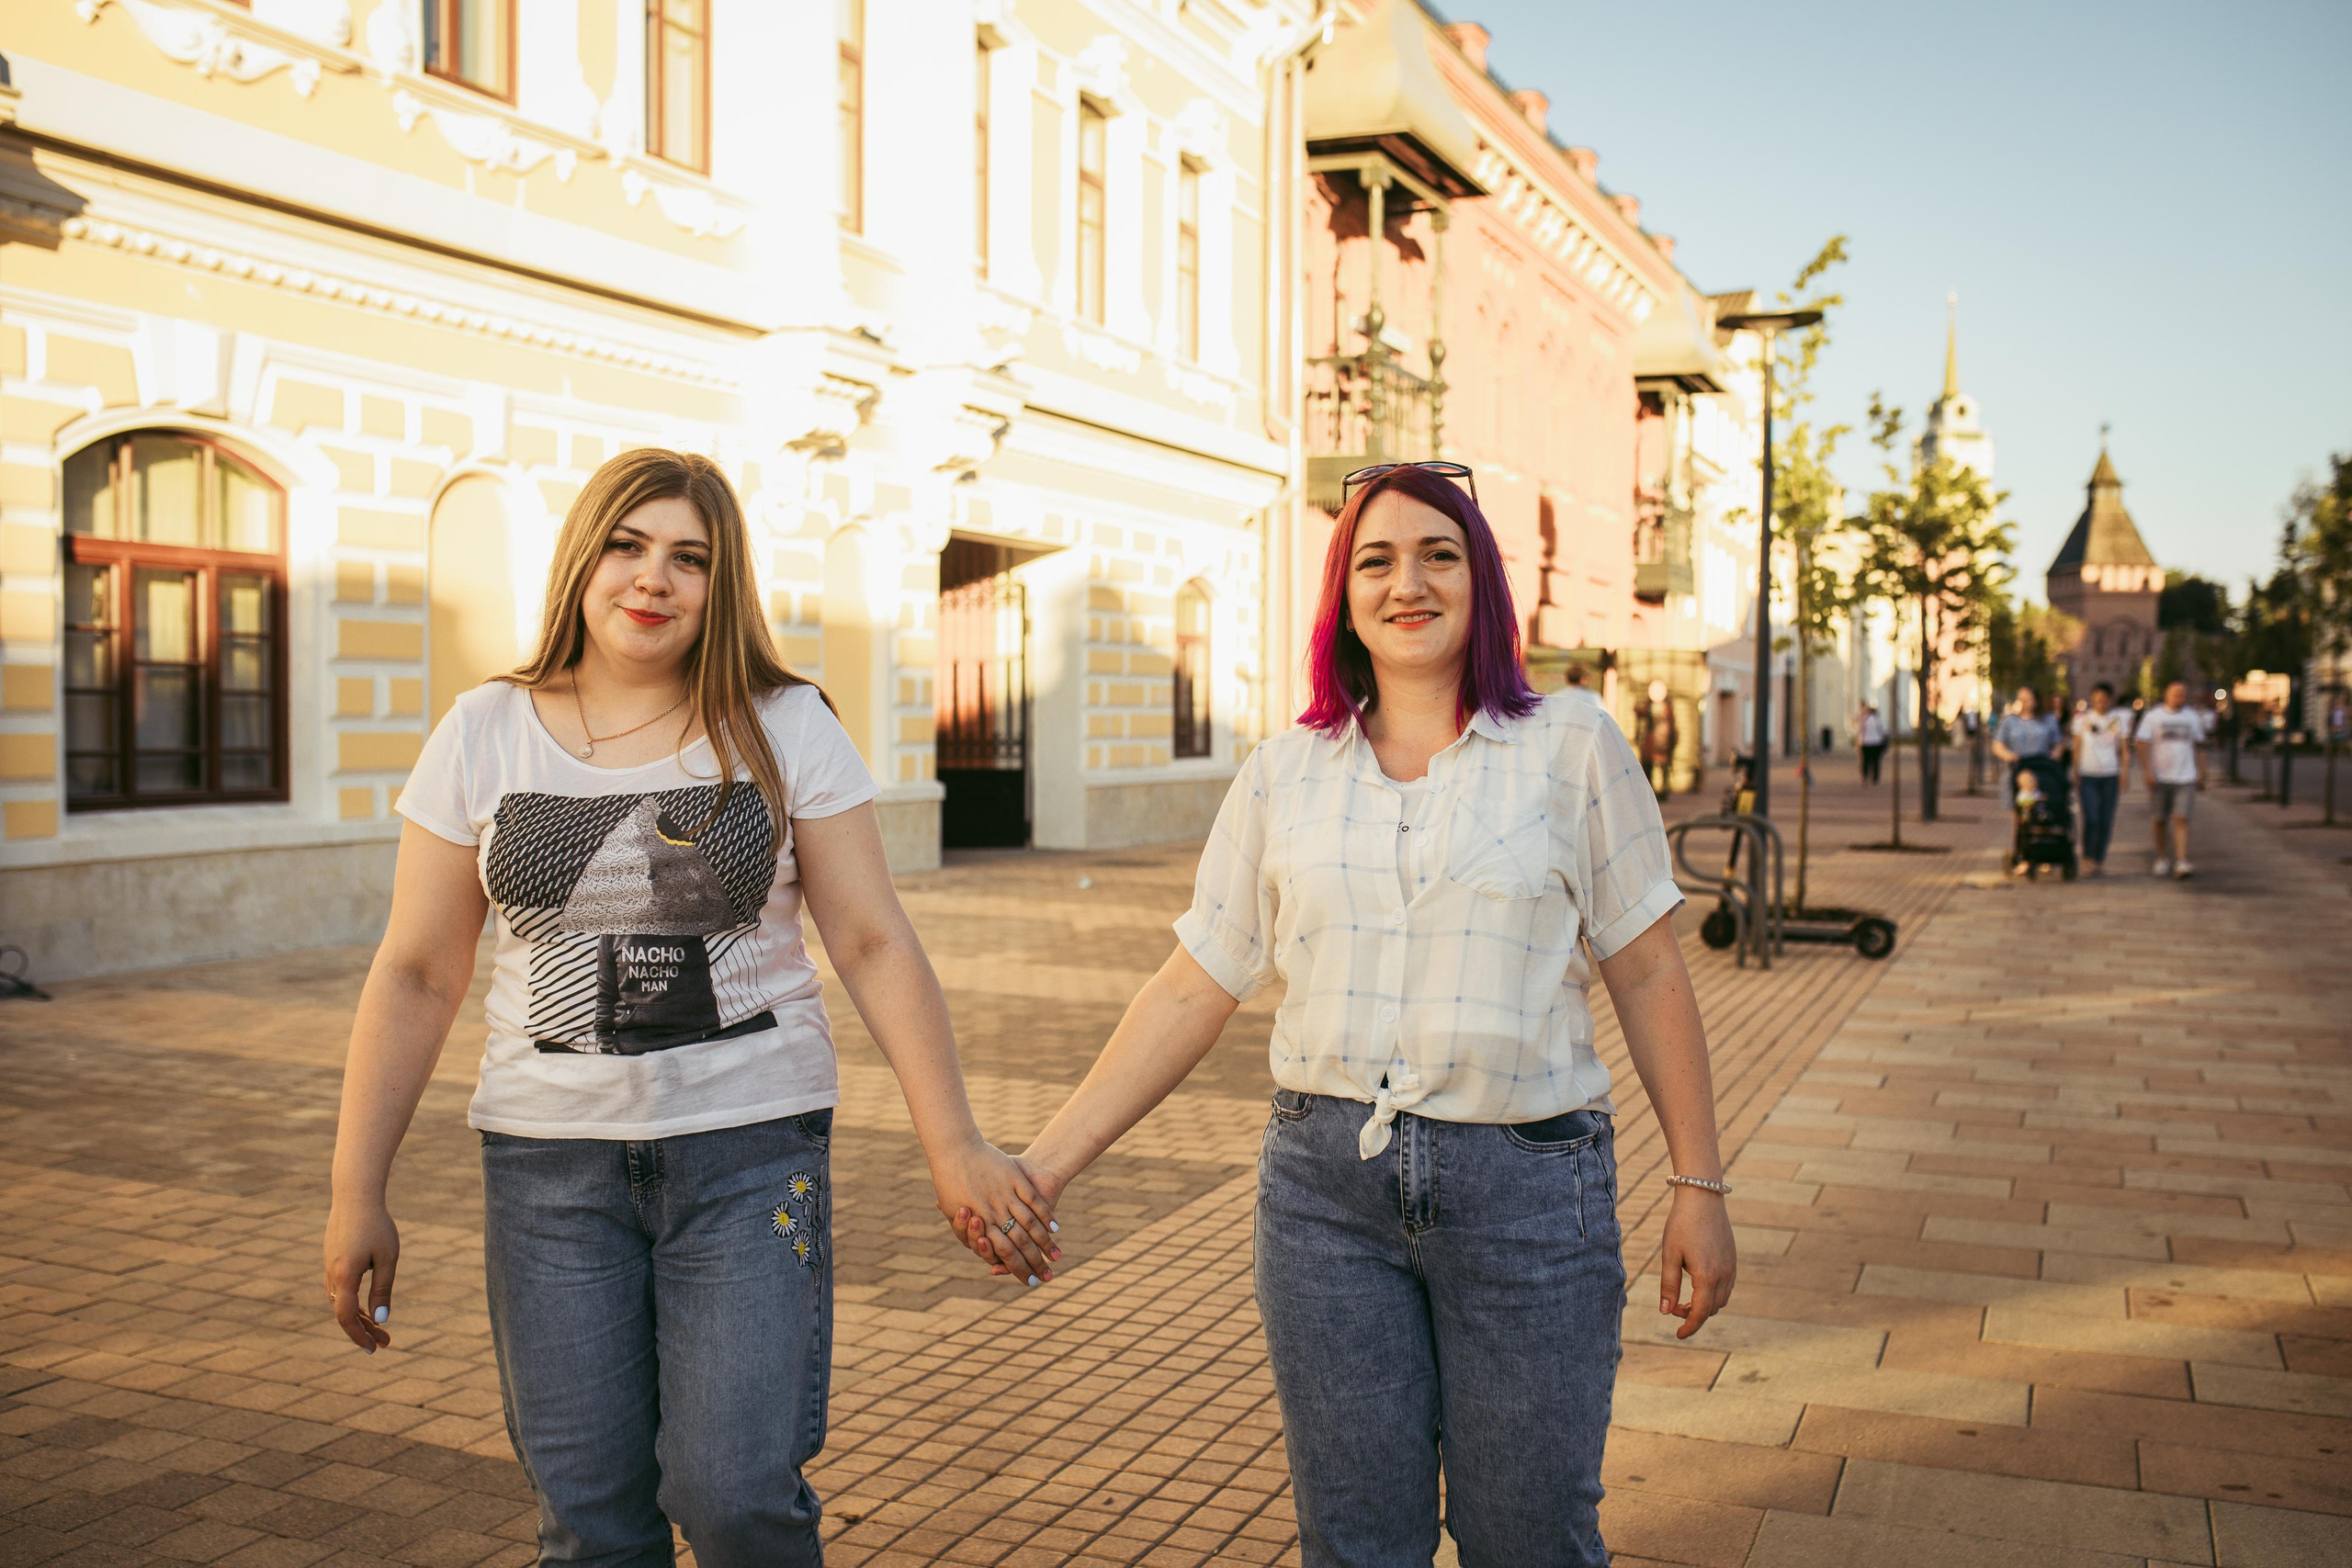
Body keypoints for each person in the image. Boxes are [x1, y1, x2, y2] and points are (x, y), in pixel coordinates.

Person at [952, 464, 1736, 1567]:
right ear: (1344, 595)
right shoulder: (1285, 772)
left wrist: (1698, 1186)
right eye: (1375, 560)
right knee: (1356, 1542)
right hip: (1324, 1202)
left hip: (1525, 1191)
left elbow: (1649, 973)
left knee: (1530, 1538)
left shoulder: (1571, 747)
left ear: (1482, 584)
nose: (1405, 583)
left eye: (1437, 555)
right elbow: (1193, 983)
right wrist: (1047, 1164)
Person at [322, 450, 1056, 1565]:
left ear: (722, 587)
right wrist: (354, 1190)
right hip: (548, 1169)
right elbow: (417, 971)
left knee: (732, 1496)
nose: (651, 579)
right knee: (590, 1518)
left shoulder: (785, 723)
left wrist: (949, 1138)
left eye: (688, 559)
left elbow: (870, 938)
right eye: (627, 545)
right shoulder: (484, 730)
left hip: (749, 1152)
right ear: (583, 558)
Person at [2136, 679, 2205, 878]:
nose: (2179, 697)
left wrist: (2202, 772)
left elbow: (2200, 746)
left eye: (2183, 694)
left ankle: (2181, 861)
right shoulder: (2153, 716)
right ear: (2166, 694)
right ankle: (2162, 857)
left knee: (2181, 818)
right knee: (2159, 819)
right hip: (2159, 777)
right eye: (2175, 693)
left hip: (2185, 776)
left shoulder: (2192, 717)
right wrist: (2147, 770)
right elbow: (2141, 743)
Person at [2071, 682, 2132, 876]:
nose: (2101, 703)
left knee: (2106, 819)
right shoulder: (2082, 720)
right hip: (2087, 774)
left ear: (2110, 700)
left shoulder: (2117, 720)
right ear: (2092, 699)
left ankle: (2098, 859)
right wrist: (2075, 772)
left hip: (2110, 775)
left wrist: (2125, 773)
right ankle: (2086, 857)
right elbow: (2077, 748)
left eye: (2104, 700)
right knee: (2091, 818)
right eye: (2097, 699)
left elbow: (2124, 750)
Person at [1857, 703, 1889, 784]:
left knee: (1865, 761)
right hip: (1876, 743)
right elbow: (1884, 731)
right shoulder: (1878, 719)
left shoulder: (1864, 719)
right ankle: (1875, 778)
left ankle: (1865, 777)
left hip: (1865, 743)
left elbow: (1859, 731)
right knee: (1876, 762)